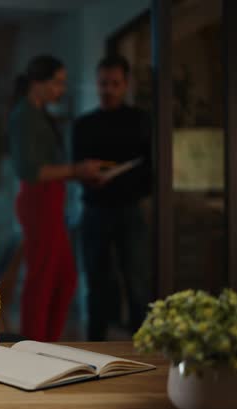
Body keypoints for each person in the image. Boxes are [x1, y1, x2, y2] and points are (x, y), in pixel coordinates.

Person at [8, 55, 110, 342]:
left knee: (64, 279)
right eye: (57, 82)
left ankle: (47, 343)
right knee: (42, 279)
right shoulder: (23, 115)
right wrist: (77, 170)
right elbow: (30, 170)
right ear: (38, 83)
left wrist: (80, 173)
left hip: (51, 201)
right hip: (38, 201)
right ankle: (35, 347)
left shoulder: (39, 114)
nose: (61, 89)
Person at [72, 55, 152, 341]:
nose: (108, 89)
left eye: (115, 84)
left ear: (126, 84)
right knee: (96, 282)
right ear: (97, 83)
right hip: (95, 209)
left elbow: (151, 167)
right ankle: (96, 346)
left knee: (137, 282)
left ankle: (143, 348)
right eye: (104, 83)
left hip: (130, 208)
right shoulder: (84, 124)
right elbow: (77, 165)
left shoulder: (141, 121)